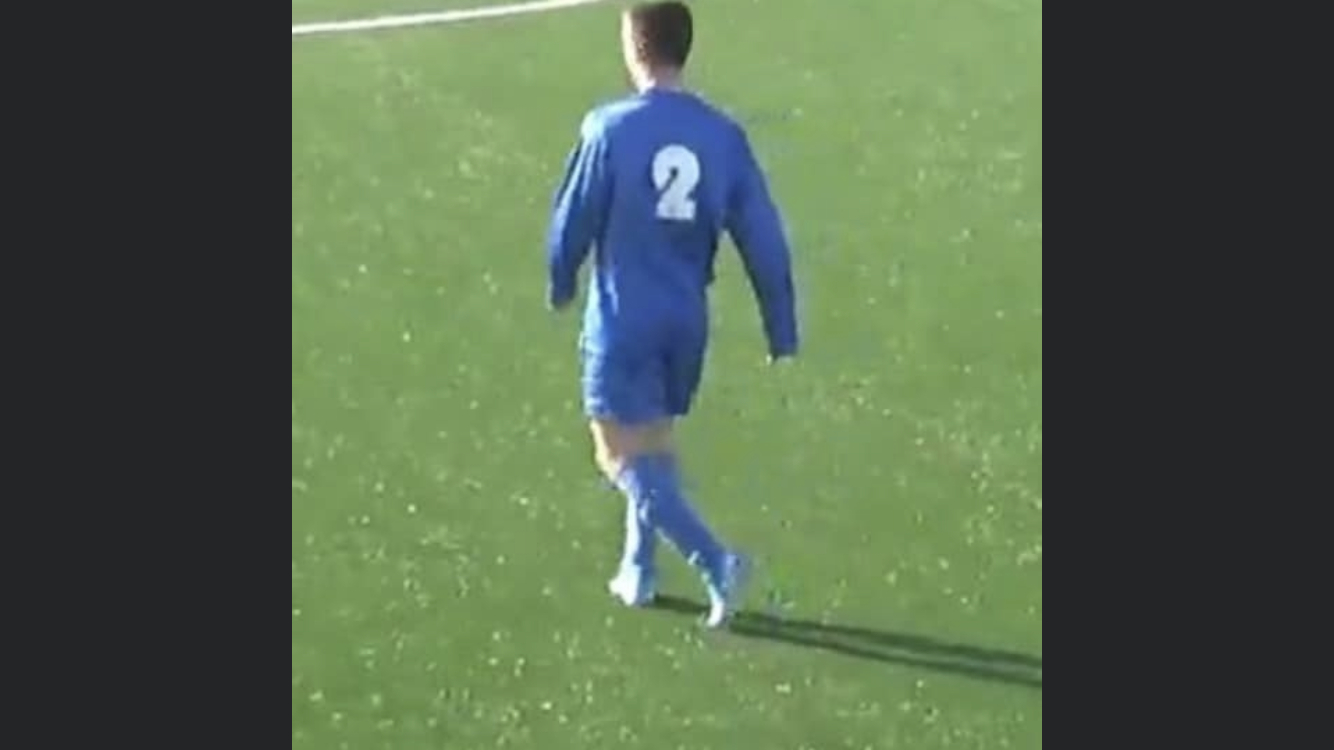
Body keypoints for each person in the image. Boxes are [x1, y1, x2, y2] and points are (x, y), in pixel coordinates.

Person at [545, 0, 798, 628]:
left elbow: (572, 218)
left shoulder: (609, 128)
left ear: (633, 46)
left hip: (624, 319)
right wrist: (780, 324)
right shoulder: (723, 136)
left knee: (616, 454)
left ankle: (716, 560)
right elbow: (765, 238)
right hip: (686, 318)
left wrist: (561, 277)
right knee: (654, 443)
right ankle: (639, 569)